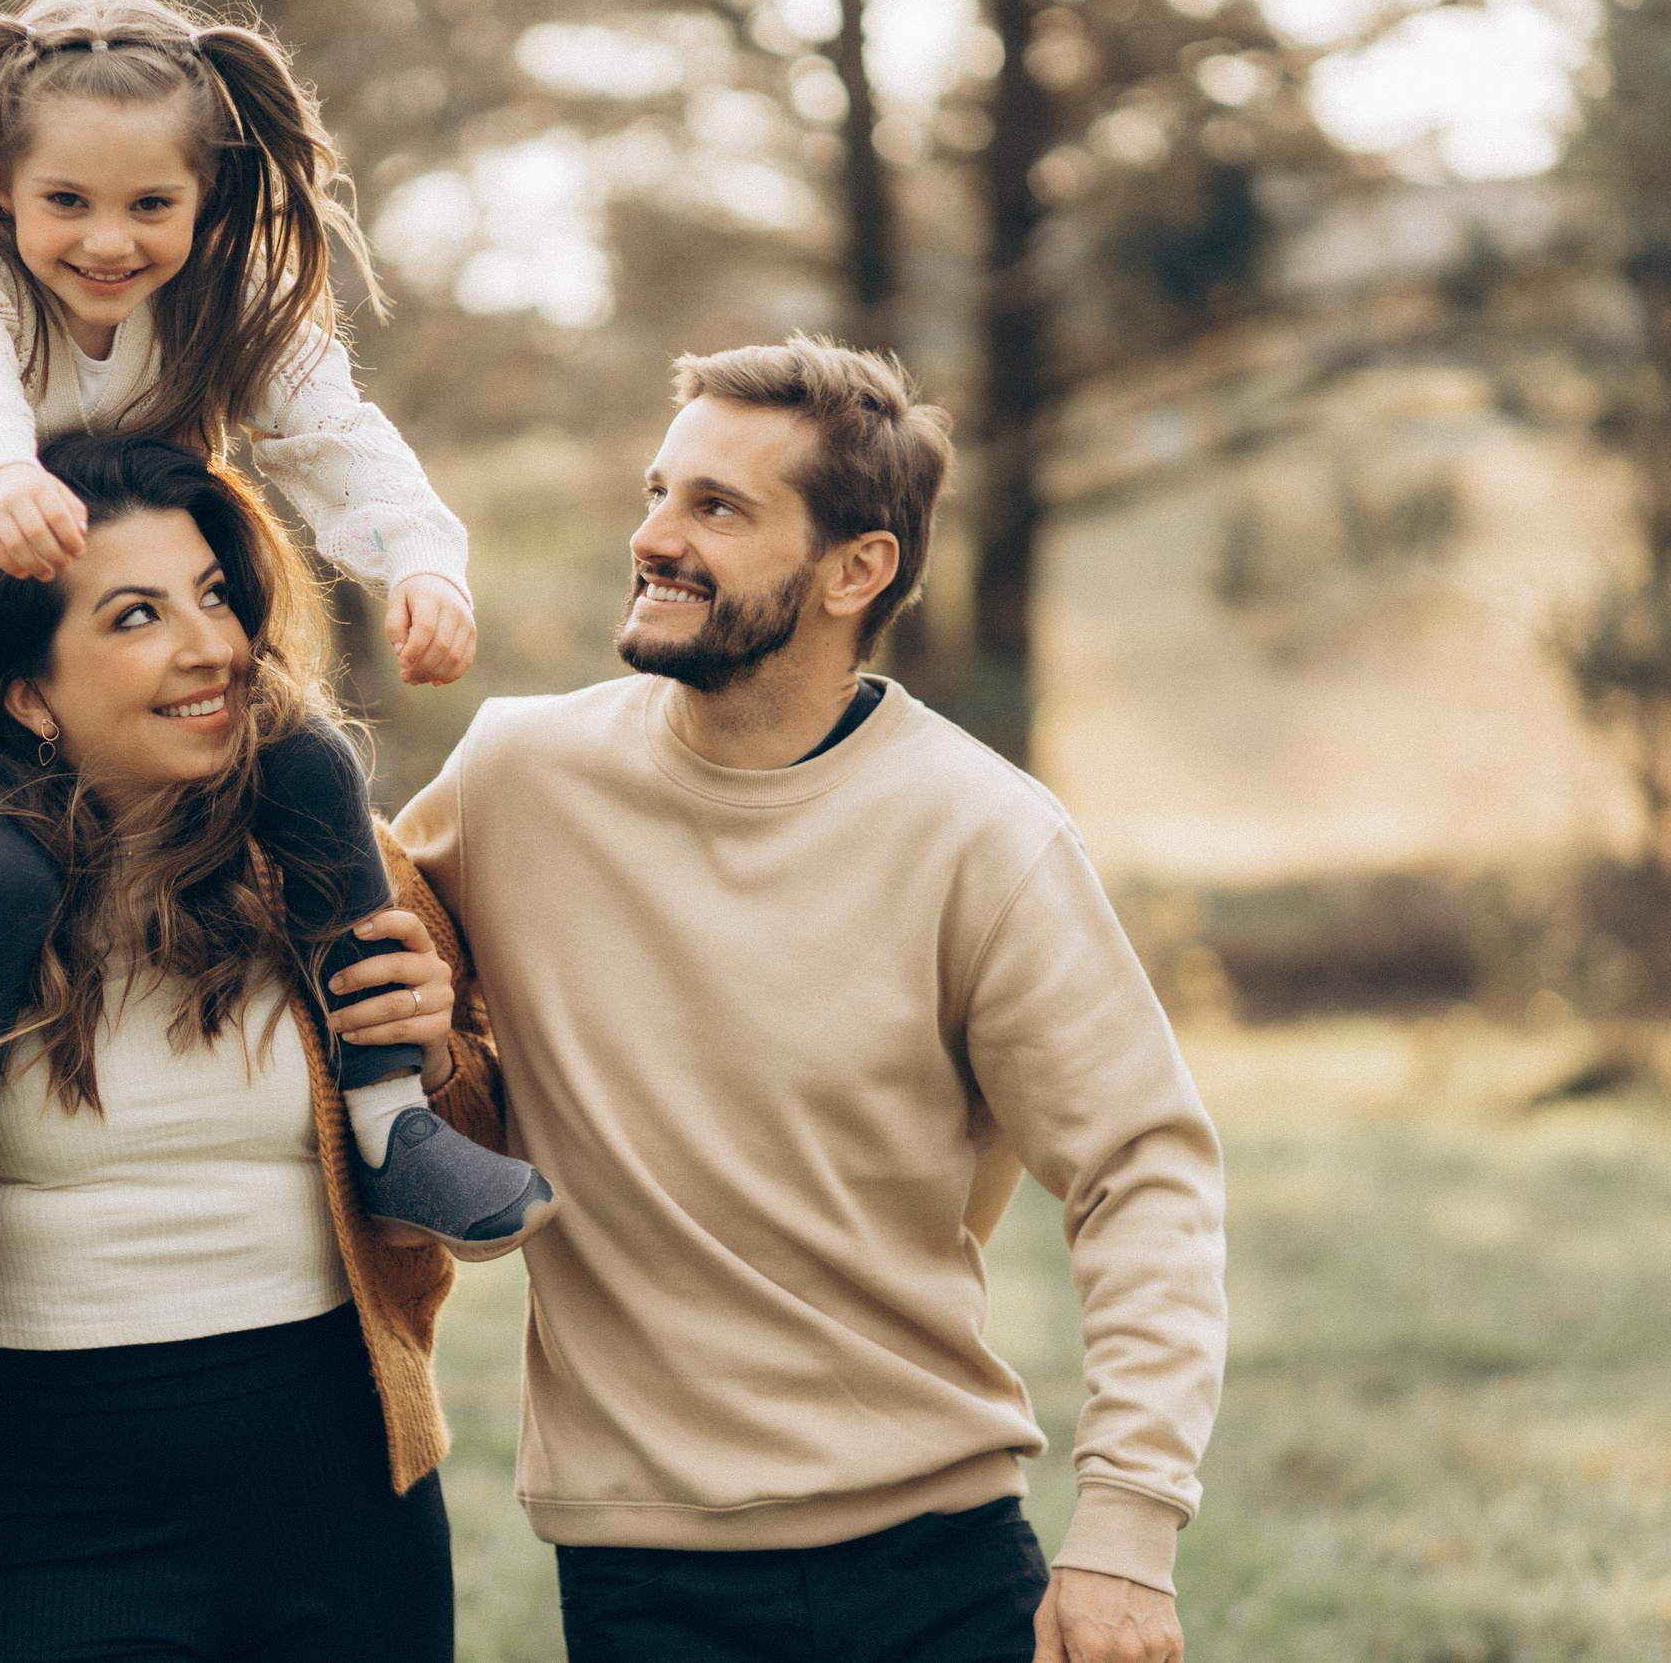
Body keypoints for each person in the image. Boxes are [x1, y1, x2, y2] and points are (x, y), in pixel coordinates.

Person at [0, 0, 549, 1414]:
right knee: (1, 870)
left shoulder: (228, 296)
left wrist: (423, 564)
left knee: (320, 773)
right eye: (66, 200)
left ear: (206, 201)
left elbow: (336, 433)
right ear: (1, 180)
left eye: (151, 207)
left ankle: (391, 1118)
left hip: (160, 648)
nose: (107, 241)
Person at [394, 337, 1227, 1663]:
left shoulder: (982, 832)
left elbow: (1145, 1169)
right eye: (659, 491)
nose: (654, 535)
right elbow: (330, 933)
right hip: (640, 1570)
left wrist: (1127, 1529)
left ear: (858, 566)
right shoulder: (515, 775)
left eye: (717, 507)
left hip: (935, 1553)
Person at [0, 435, 494, 1657]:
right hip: (42, 1501)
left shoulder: (346, 863)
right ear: (27, 691)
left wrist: (438, 1056)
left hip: (341, 1471)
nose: (212, 649)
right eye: (136, 615)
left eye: (216, 597)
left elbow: (482, 1152)